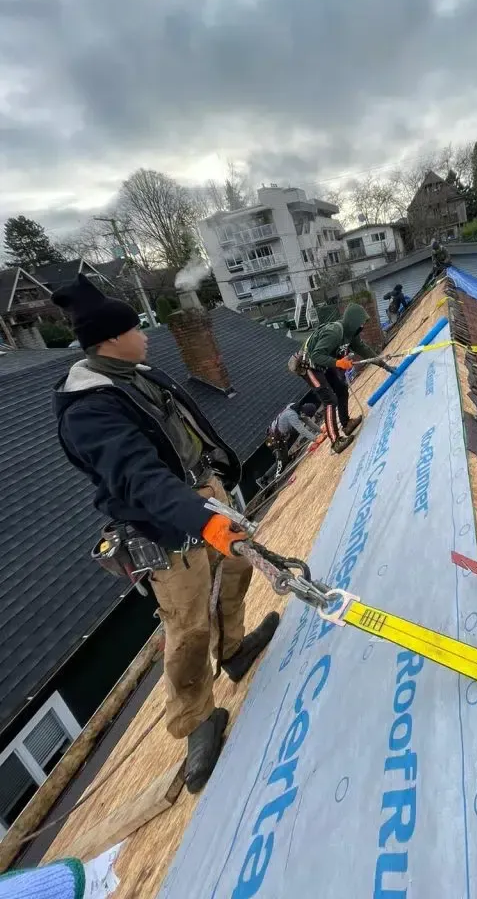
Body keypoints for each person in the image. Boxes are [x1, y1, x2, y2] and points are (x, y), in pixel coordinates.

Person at [51, 275, 279, 794]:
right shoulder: (89, 409)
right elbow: (138, 478)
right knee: (188, 623)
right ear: (109, 338)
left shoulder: (135, 372)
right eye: (136, 327)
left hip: (201, 494)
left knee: (236, 570)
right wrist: (201, 517)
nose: (147, 334)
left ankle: (236, 651)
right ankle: (196, 722)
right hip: (164, 523)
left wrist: (215, 485)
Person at [288, 303, 395, 454]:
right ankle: (335, 442)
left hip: (323, 365)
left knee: (341, 389)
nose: (363, 325)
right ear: (353, 321)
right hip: (309, 367)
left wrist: (385, 366)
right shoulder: (335, 332)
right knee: (329, 400)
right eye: (361, 322)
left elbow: (365, 351)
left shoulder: (351, 335)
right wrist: (338, 362)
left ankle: (346, 424)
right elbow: (316, 355)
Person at [266, 402, 321, 475]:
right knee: (281, 459)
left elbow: (307, 421)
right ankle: (265, 479)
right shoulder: (292, 415)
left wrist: (321, 430)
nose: (306, 417)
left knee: (284, 458)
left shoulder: (296, 408)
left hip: (279, 436)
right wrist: (315, 439)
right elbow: (301, 430)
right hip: (273, 438)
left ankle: (276, 473)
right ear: (303, 412)